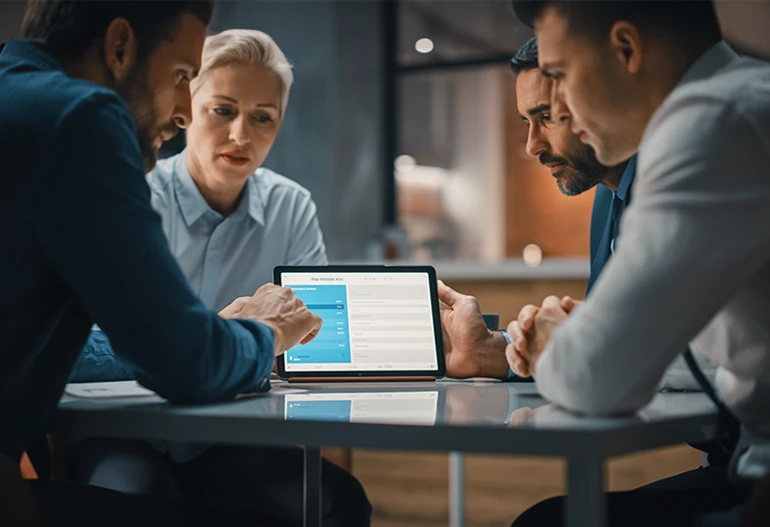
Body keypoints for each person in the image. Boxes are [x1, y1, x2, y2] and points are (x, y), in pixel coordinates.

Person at [0, 1, 321, 525]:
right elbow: (184, 360)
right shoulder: (79, 118)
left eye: (263, 117)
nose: (183, 111)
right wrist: (262, 332)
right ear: (119, 48)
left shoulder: (16, 94)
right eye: (181, 77)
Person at [64, 28, 371, 527]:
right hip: (123, 431)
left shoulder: (291, 207)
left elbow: (314, 344)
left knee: (341, 500)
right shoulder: (133, 194)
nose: (241, 135)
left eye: (262, 117)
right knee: (138, 502)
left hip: (227, 435)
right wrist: (222, 339)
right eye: (223, 110)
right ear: (187, 107)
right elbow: (79, 341)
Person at [504, 0, 770, 525]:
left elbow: (594, 378)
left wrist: (564, 344)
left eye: (560, 76)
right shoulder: (745, 99)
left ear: (625, 48)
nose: (563, 109)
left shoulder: (713, 124)